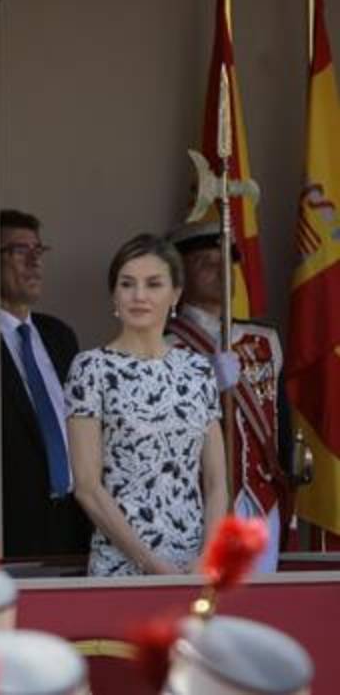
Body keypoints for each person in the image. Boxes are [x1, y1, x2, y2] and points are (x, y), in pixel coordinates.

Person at [65, 233, 228, 576]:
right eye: (127, 284)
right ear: (114, 294)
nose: (139, 296)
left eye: (153, 284)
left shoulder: (198, 370)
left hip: (194, 569)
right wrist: (151, 565)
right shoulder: (91, 368)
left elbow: (216, 482)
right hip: (121, 568)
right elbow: (87, 487)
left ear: (176, 295)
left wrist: (207, 557)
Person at [166, 220, 287, 573]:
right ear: (180, 277)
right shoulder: (165, 346)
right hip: (198, 502)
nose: (222, 272)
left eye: (227, 262)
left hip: (262, 500)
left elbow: (279, 417)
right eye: (207, 263)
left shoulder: (264, 340)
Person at [0, 209, 92, 559]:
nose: (34, 261)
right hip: (15, 525)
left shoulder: (60, 336)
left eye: (39, 250)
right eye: (19, 251)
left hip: (77, 518)